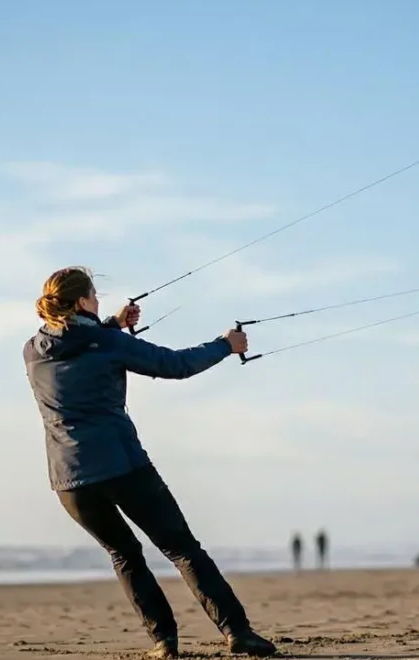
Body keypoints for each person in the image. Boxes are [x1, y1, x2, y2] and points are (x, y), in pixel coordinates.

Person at [22, 266, 277, 659]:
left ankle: (164, 643)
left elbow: (76, 343)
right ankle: (238, 632)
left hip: (69, 480)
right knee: (182, 549)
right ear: (82, 302)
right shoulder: (106, 342)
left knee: (125, 555)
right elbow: (174, 365)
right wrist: (226, 344)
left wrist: (112, 324)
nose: (99, 300)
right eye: (95, 295)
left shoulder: (32, 350)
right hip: (123, 466)